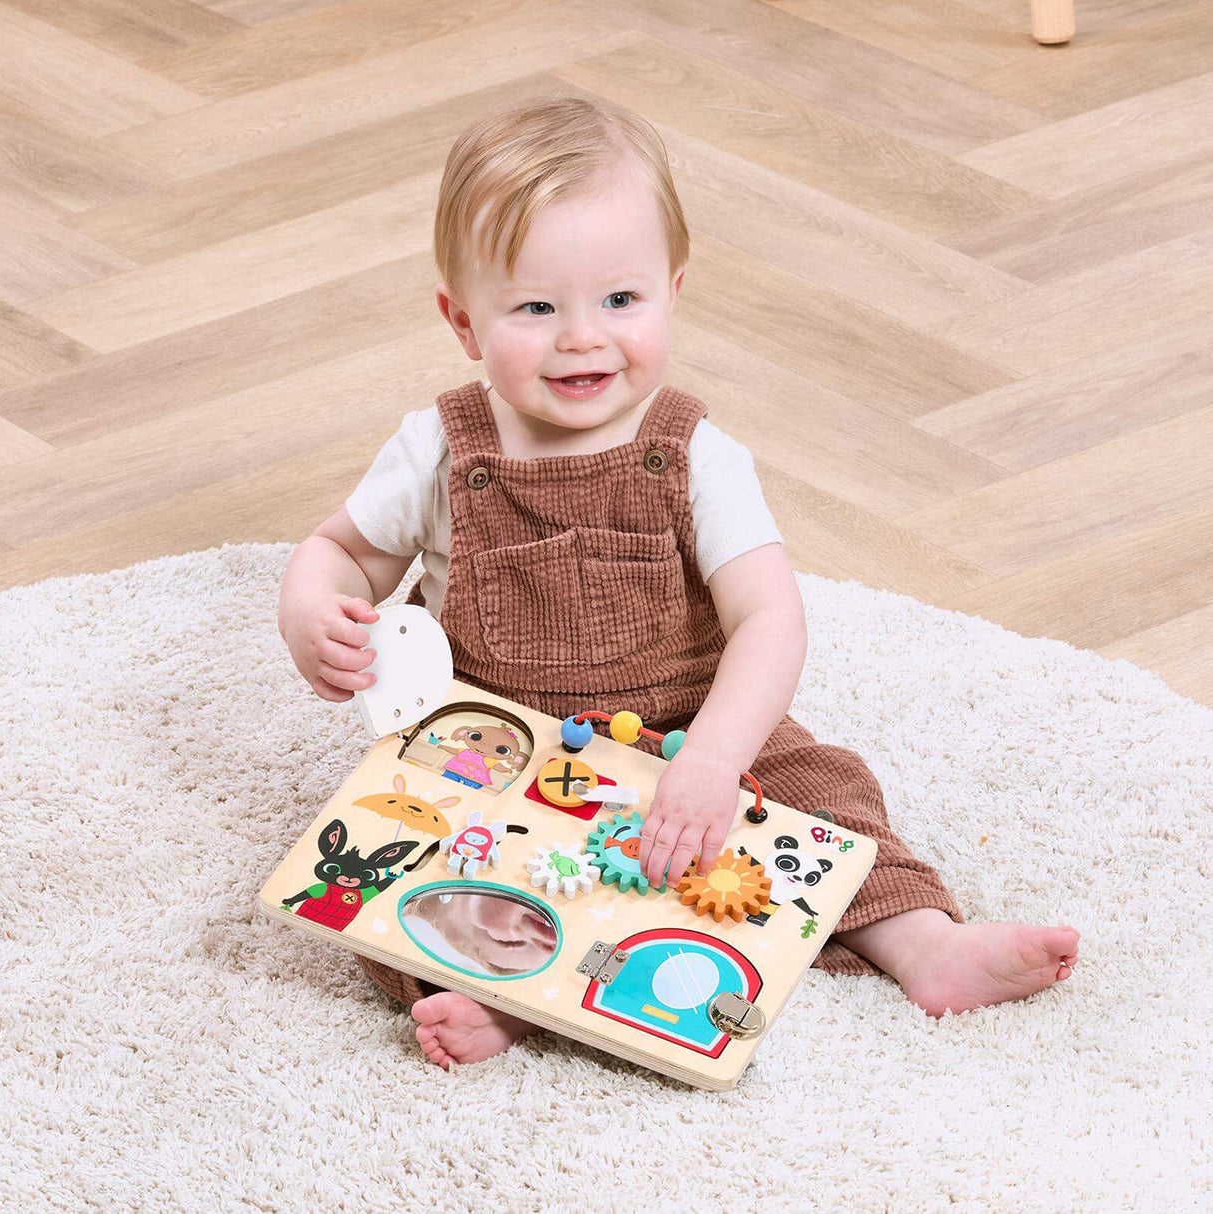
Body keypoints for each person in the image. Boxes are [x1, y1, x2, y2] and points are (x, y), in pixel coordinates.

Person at [278, 93, 1079, 1070]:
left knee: (826, 796)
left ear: (673, 290)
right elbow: (342, 551)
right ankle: (511, 990)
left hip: (690, 729)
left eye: (620, 300)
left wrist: (711, 756)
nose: (582, 336)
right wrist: (314, 610)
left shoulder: (696, 456)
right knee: (393, 863)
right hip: (501, 750)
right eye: (535, 307)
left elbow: (767, 618)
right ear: (461, 320)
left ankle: (923, 944)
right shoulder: (439, 448)